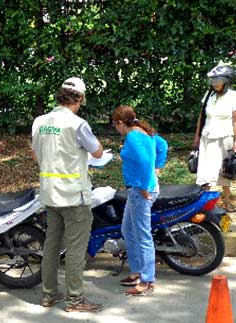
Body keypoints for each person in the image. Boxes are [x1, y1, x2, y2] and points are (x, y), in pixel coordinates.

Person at [31, 77, 104, 312]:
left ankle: (48, 295)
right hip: (74, 197)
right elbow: (97, 151)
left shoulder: (40, 122)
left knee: (51, 245)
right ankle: (75, 300)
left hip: (50, 195)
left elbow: (35, 155)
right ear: (80, 98)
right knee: (75, 249)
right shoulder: (78, 124)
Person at [112, 105, 160, 296]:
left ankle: (147, 281)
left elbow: (144, 162)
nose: (116, 130)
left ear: (120, 123)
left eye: (115, 125)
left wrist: (143, 187)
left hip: (140, 191)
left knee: (142, 235)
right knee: (128, 230)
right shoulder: (142, 132)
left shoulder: (133, 136)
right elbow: (161, 147)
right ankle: (137, 271)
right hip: (140, 189)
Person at [193, 65, 236, 212]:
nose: (214, 84)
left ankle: (227, 202)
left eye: (218, 81)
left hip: (225, 137)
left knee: (225, 171)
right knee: (205, 172)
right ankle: (206, 205)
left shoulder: (234, 96)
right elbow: (201, 117)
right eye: (213, 81)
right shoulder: (209, 95)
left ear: (227, 81)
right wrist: (197, 135)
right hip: (207, 137)